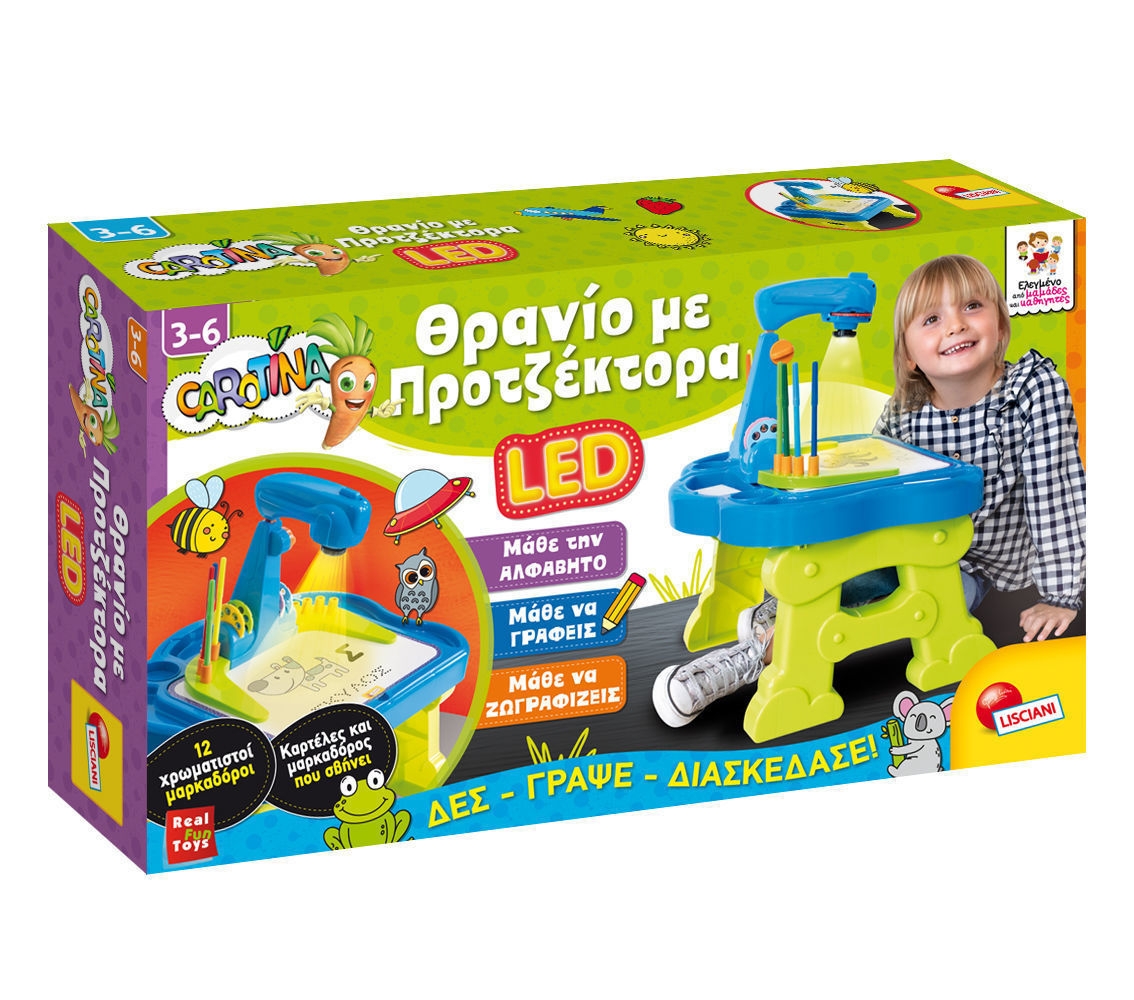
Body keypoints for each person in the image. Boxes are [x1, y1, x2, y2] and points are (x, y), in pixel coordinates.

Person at [653, 254, 1086, 728]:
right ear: (909, 354)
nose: (955, 325)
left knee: (912, 595)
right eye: (932, 319)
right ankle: (769, 631)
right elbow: (868, 477)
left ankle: (759, 648)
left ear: (1001, 325)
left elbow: (1056, 492)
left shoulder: (1030, 390)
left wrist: (1060, 595)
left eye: (972, 306)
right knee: (834, 567)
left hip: (975, 566)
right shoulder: (906, 410)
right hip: (904, 546)